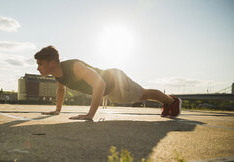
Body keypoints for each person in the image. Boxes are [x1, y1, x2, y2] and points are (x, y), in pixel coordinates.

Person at [34, 46, 181, 120]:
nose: (38, 67)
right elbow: (61, 90)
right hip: (110, 89)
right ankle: (168, 102)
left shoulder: (74, 67)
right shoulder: (58, 73)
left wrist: (89, 115)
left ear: (52, 62)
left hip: (115, 81)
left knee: (144, 94)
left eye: (40, 64)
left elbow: (100, 84)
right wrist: (57, 110)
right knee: (143, 95)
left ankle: (172, 102)